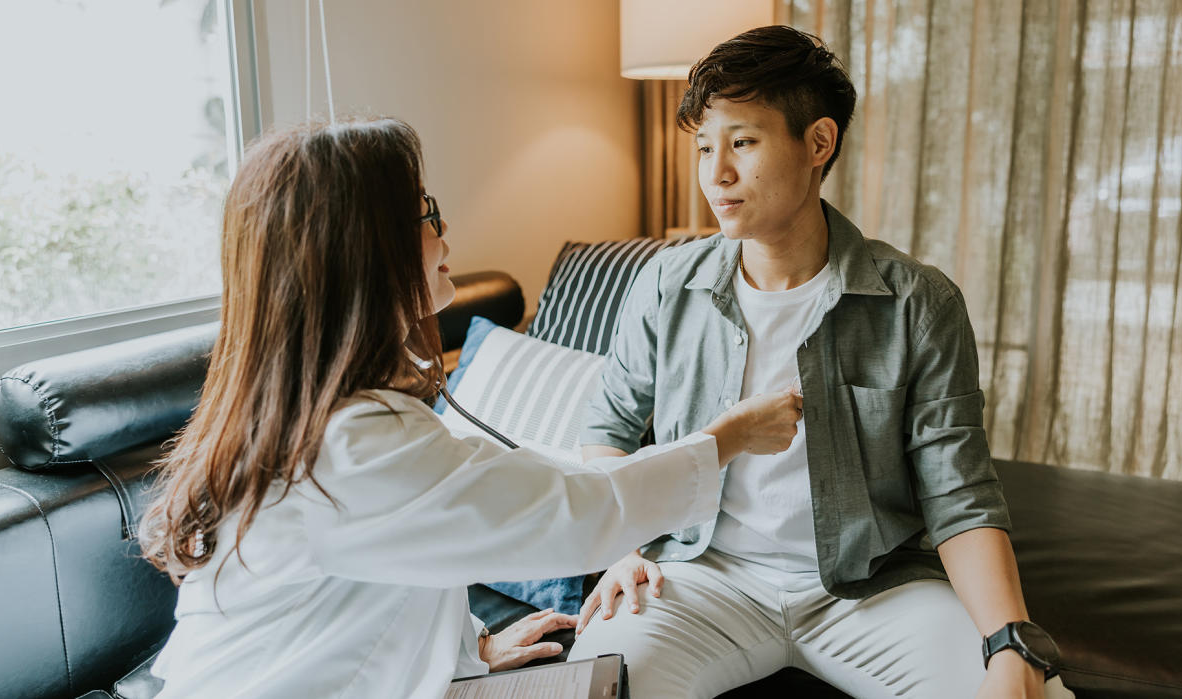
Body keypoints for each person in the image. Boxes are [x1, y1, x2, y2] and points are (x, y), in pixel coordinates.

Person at [138, 118, 802, 698]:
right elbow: (575, 514)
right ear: (368, 250)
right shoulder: (352, 449)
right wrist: (726, 438)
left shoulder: (303, 419)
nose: (444, 225)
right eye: (425, 209)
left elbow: (392, 561)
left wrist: (469, 647)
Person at [568, 26, 1075, 699]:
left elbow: (960, 494)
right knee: (596, 686)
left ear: (818, 143)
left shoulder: (918, 302)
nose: (715, 174)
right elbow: (608, 427)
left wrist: (1009, 639)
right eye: (704, 147)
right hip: (700, 573)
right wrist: (622, 547)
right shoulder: (667, 283)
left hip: (870, 588)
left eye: (742, 143)